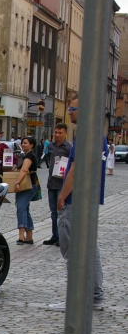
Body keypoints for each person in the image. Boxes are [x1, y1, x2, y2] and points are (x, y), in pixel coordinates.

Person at [49, 94, 106, 311]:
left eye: (72, 109)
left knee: (72, 250)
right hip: (91, 199)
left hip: (77, 199)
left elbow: (76, 168)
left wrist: (62, 196)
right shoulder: (99, 135)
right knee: (90, 248)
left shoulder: (85, 134)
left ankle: (76, 298)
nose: (69, 113)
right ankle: (95, 296)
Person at [42, 123, 72, 246]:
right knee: (53, 212)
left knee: (61, 212)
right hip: (52, 182)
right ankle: (55, 235)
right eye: (56, 132)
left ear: (66, 133)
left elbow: (73, 165)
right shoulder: (51, 146)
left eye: (60, 133)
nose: (57, 135)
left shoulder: (69, 147)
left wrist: (66, 173)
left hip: (62, 184)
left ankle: (62, 237)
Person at [14, 136, 39, 245]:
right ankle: (29, 237)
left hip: (27, 186)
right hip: (29, 186)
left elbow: (24, 170)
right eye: (22, 143)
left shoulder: (29, 156)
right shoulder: (27, 156)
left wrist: (17, 183)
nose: (23, 145)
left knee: (21, 208)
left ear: (31, 145)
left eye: (25, 143)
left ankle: (21, 237)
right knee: (25, 210)